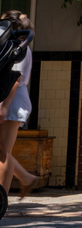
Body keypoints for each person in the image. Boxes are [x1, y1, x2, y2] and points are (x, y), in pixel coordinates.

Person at [0, 11, 39, 199]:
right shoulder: (14, 46)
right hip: (12, 99)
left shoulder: (19, 48)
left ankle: (2, 198)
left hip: (13, 100)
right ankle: (25, 178)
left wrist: (4, 106)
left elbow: (16, 80)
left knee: (3, 151)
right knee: (1, 150)